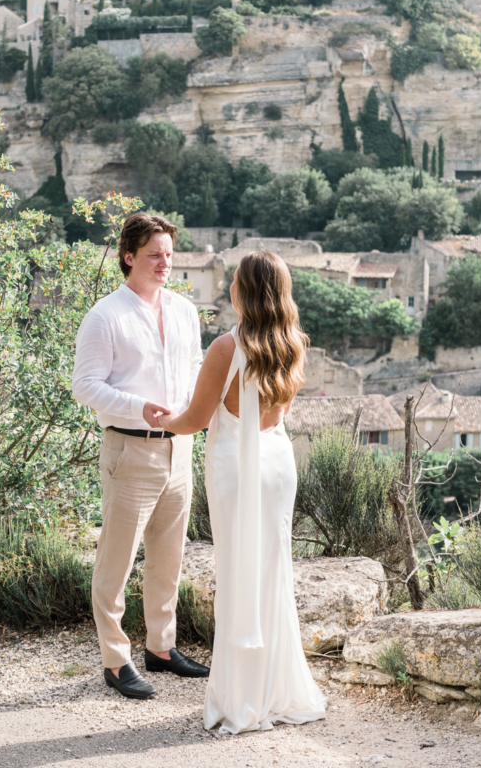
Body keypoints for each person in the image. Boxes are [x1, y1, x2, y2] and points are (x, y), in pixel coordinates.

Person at [160, 250, 327, 734]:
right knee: (274, 572)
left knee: (238, 572)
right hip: (277, 463)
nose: (230, 284)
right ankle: (277, 688)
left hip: (236, 465)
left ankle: (242, 698)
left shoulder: (225, 349)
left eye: (234, 279)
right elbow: (280, 411)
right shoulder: (294, 343)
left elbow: (193, 420)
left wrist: (161, 419)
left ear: (244, 291)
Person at [72, 212, 211, 700]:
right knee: (116, 563)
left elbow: (195, 370)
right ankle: (116, 660)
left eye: (169, 255)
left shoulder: (184, 311)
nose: (164, 264)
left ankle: (161, 647)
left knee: (168, 559)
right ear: (129, 257)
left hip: (180, 448)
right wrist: (140, 408)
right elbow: (84, 386)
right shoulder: (104, 315)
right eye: (155, 255)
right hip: (129, 449)